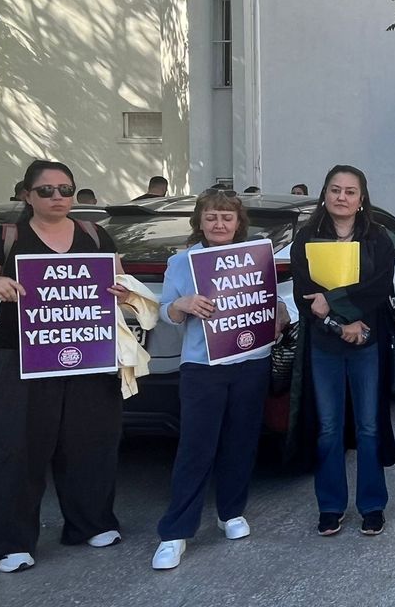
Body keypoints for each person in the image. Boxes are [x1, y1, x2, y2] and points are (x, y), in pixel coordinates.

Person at [0, 160, 135, 573]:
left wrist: (123, 293)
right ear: (27, 195)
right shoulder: (6, 236)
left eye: (66, 190)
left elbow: (122, 284)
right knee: (16, 449)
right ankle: (10, 543)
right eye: (46, 190)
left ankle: (91, 523)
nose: (58, 197)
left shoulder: (94, 233)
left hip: (87, 355)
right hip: (19, 359)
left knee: (91, 442)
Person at [151, 190, 289, 569]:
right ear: (199, 220)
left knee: (241, 441)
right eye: (211, 216)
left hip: (252, 361)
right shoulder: (182, 262)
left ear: (238, 222)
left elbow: (274, 300)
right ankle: (175, 532)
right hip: (203, 366)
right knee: (196, 447)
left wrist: (279, 311)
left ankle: (231, 512)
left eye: (227, 217)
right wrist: (180, 305)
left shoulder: (255, 256)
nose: (219, 224)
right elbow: (164, 312)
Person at [290, 165, 395, 538]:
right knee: (328, 428)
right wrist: (339, 323)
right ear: (325, 193)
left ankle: (372, 505)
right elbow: (304, 293)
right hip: (324, 345)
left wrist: (341, 310)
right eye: (335, 189)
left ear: (361, 198)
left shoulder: (378, 238)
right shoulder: (306, 237)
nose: (342, 197)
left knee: (368, 427)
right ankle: (331, 506)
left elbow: (379, 288)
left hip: (367, 341)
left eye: (350, 191)